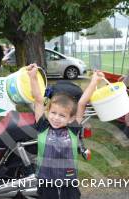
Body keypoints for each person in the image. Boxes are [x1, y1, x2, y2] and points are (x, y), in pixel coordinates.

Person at [28, 64, 104, 199]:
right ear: (48, 112)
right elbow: (39, 100)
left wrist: (94, 82)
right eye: (53, 113)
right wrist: (32, 77)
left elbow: (82, 103)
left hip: (69, 181)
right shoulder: (43, 126)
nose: (56, 118)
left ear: (71, 119)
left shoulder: (73, 129)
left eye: (62, 115)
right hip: (46, 180)